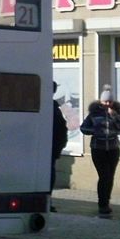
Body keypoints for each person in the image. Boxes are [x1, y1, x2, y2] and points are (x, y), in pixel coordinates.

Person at [79, 84, 120, 217]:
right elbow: (84, 128)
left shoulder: (117, 112)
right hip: (98, 148)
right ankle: (102, 204)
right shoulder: (94, 113)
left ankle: (107, 201)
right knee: (104, 176)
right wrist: (96, 131)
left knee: (110, 176)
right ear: (101, 102)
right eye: (105, 101)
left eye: (110, 101)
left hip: (113, 148)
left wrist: (115, 116)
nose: (108, 104)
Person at [50, 82, 69, 211]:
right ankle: (46, 201)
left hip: (50, 150)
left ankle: (47, 201)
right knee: (48, 176)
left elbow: (61, 129)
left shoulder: (53, 107)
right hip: (48, 150)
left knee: (49, 176)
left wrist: (58, 147)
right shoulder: (51, 107)